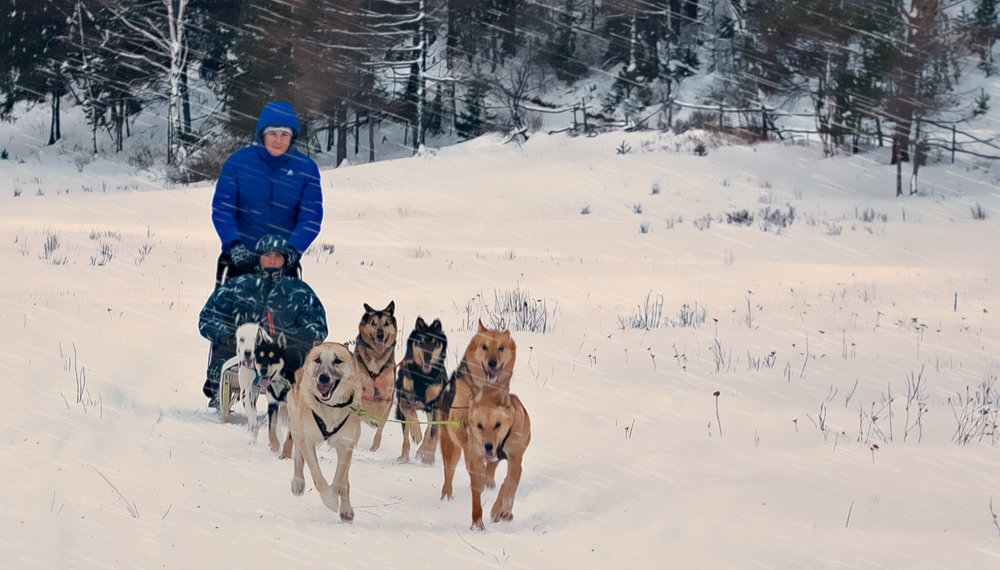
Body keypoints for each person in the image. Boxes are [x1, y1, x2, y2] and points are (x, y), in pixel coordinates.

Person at [199, 235, 328, 408]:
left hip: (284, 353)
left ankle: (294, 400)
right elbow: (207, 317)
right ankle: (219, 391)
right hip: (241, 350)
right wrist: (230, 335)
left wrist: (293, 338)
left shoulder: (299, 291)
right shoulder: (237, 286)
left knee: (302, 359)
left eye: (278, 256)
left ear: (285, 260)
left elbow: (318, 326)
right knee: (222, 358)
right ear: (259, 257)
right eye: (267, 255)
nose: (272, 261)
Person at [211, 101, 323, 286]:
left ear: (292, 137)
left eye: (284, 134)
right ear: (262, 135)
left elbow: (310, 217)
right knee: (226, 313)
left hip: (283, 263)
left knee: (286, 315)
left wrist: (292, 251)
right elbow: (223, 209)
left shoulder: (306, 168)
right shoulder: (238, 163)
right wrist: (234, 245)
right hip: (239, 259)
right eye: (272, 134)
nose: (278, 140)